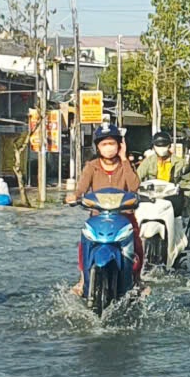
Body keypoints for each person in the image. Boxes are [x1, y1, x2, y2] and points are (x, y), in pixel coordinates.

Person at [68, 124, 141, 292]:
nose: (108, 148)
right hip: (98, 217)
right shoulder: (91, 166)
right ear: (98, 147)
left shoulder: (126, 165)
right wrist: (75, 196)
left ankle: (137, 279)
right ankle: (83, 279)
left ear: (119, 145)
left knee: (137, 243)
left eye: (112, 143)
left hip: (124, 216)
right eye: (104, 144)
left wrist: (124, 159)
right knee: (84, 243)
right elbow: (81, 188)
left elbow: (134, 187)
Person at [136, 131, 190, 220]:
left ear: (169, 146)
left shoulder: (181, 163)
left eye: (164, 145)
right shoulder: (148, 162)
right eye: (158, 146)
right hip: (152, 199)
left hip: (173, 199)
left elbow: (188, 182)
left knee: (177, 222)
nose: (161, 148)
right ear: (153, 147)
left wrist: (186, 197)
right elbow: (136, 178)